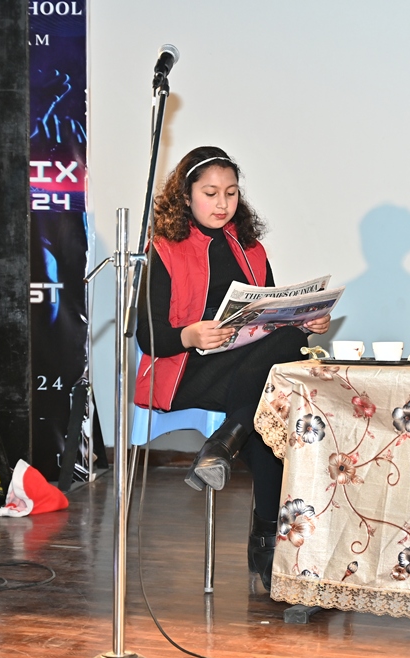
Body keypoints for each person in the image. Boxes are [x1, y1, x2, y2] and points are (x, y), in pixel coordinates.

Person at [134, 146, 330, 589]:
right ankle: (265, 539)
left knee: (286, 352)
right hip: (187, 370)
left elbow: (272, 317)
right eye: (210, 193)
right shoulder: (163, 249)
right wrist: (190, 335)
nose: (222, 203)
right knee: (269, 404)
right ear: (186, 197)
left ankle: (226, 441)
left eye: (231, 192)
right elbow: (148, 336)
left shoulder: (251, 248)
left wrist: (306, 320)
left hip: (243, 370)